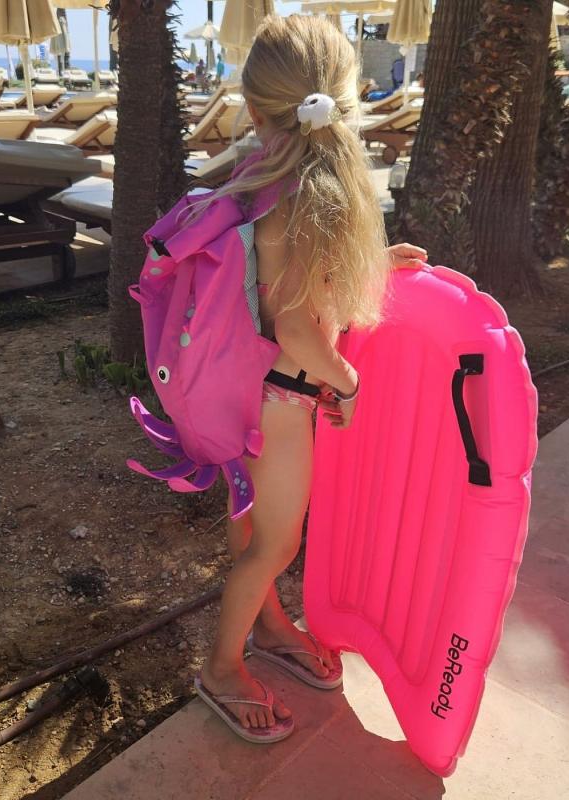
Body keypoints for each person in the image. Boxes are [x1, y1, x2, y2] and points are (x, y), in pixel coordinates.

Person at [195, 14, 426, 741]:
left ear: (254, 107)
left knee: (250, 524)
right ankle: (222, 669)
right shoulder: (305, 190)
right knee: (276, 545)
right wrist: (348, 382)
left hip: (234, 386)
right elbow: (297, 327)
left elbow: (279, 279)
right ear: (347, 98)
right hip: (280, 402)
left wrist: (372, 263)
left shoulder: (259, 177)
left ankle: (269, 627)